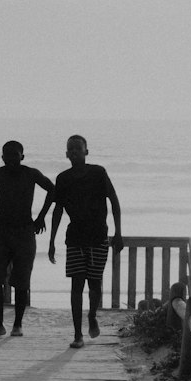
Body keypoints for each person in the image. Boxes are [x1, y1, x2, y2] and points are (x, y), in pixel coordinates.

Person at [48, 133, 122, 348]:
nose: (73, 152)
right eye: (70, 149)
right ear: (65, 154)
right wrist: (51, 240)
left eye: (77, 148)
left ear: (86, 152)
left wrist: (118, 233)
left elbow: (114, 201)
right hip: (75, 238)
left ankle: (92, 314)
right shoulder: (63, 178)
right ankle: (78, 335)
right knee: (76, 286)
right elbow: (58, 209)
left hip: (99, 236)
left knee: (95, 283)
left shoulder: (98, 173)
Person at [0, 141, 55, 338]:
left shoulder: (31, 173)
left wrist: (41, 217)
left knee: (22, 279)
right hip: (2, 230)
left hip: (25, 231)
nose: (11, 159)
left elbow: (52, 189)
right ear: (2, 157)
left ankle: (17, 324)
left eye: (15, 155)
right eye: (7, 155)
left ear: (22, 156)